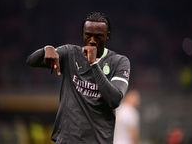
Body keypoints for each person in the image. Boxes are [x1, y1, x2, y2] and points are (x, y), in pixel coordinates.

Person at [26, 12, 130, 144]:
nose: (92, 40)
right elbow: (31, 61)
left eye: (98, 36)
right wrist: (47, 49)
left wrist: (93, 64)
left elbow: (114, 100)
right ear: (83, 33)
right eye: (88, 35)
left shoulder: (119, 62)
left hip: (98, 141)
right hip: (68, 140)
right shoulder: (69, 53)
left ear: (107, 36)